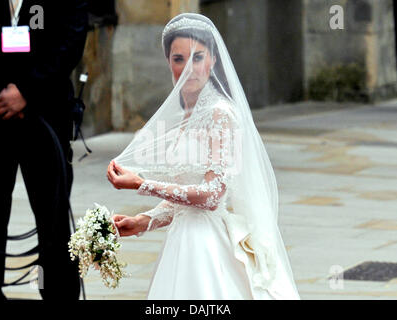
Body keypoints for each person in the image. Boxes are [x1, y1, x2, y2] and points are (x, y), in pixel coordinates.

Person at [107, 13, 300, 300]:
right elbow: (184, 199)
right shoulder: (186, 116)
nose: (189, 69)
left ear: (212, 60)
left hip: (207, 247)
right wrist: (143, 221)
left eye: (198, 58)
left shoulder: (221, 115)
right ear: (168, 63)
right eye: (178, 59)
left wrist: (141, 184)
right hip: (181, 242)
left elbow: (211, 196)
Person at [0, 0, 88, 300]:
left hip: (46, 118)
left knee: (53, 224)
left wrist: (26, 91)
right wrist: (0, 97)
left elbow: (70, 41)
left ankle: (55, 293)